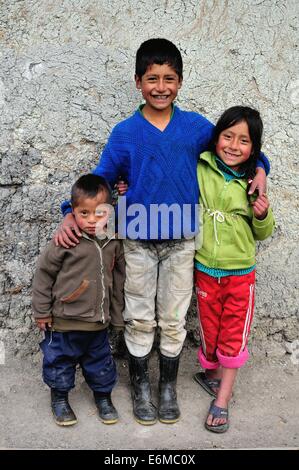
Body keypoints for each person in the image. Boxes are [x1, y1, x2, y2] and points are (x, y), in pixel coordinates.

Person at [54, 39, 270, 425]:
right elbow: (102, 179)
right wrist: (72, 212)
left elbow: (236, 148)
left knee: (172, 318)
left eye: (169, 78)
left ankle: (166, 386)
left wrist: (262, 170)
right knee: (139, 316)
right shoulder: (125, 133)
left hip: (183, 242)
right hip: (137, 241)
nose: (160, 86)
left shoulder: (194, 128)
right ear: (138, 82)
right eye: (152, 78)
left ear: (180, 83)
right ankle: (140, 385)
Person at [193, 106, 275, 433]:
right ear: (216, 139)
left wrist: (262, 213)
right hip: (204, 269)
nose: (233, 145)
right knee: (209, 330)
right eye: (227, 136)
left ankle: (222, 400)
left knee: (232, 336)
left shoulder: (252, 181)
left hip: (240, 273)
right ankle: (213, 376)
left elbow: (263, 233)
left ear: (254, 148)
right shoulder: (202, 166)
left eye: (244, 141)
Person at [32, 174, 125, 426]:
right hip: (64, 321)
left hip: (98, 324)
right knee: (59, 363)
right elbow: (44, 274)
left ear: (110, 211)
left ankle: (103, 397)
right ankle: (60, 398)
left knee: (101, 364)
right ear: (73, 212)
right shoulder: (66, 240)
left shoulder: (114, 241)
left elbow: (118, 282)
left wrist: (116, 317)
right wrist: (42, 312)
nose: (92, 220)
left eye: (99, 214)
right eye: (84, 214)